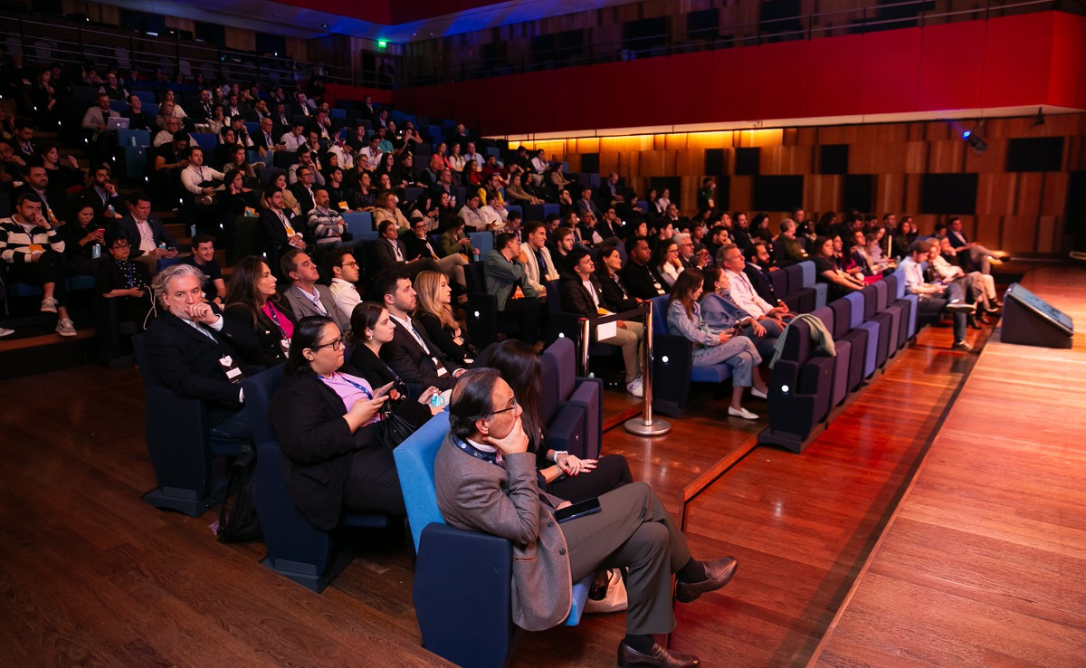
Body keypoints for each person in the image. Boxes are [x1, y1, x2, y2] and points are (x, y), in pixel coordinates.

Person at [435, 368, 738, 667]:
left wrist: (556, 500)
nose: (520, 411)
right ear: (483, 424)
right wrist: (518, 457)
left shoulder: (476, 441)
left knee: (653, 538)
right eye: (511, 405)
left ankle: (639, 647)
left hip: (546, 527)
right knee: (642, 495)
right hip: (534, 560)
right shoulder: (467, 477)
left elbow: (516, 499)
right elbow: (525, 529)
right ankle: (691, 574)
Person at [269, 316, 437, 529]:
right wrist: (354, 418)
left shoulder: (340, 369)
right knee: (421, 488)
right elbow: (305, 444)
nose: (342, 347)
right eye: (334, 344)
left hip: (378, 440)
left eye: (340, 340)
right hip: (344, 464)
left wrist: (372, 398)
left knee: (436, 463)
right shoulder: (296, 391)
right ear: (308, 354)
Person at [478, 339, 633, 500]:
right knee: (618, 463)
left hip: (550, 471)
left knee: (619, 487)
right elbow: (525, 479)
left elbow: (539, 448)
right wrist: (560, 468)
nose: (538, 380)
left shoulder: (525, 403)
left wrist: (559, 456)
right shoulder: (502, 419)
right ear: (520, 378)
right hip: (542, 491)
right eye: (533, 374)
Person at [142, 264, 262, 440]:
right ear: (166, 299)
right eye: (180, 294)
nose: (191, 300)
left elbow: (251, 343)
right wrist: (239, 393)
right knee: (289, 423)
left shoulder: (209, 311)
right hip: (216, 412)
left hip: (246, 390)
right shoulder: (160, 334)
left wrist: (215, 322)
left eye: (195, 291)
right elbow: (185, 382)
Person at [667, 269, 768, 420]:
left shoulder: (695, 305)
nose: (701, 291)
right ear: (688, 287)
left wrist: (721, 334)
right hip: (691, 355)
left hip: (704, 348)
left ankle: (736, 406)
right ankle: (758, 385)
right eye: (698, 287)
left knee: (744, 357)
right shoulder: (677, 307)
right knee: (745, 341)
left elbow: (702, 328)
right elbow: (691, 334)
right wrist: (716, 339)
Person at [561, 248, 645, 397]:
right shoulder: (571, 287)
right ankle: (632, 381)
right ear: (577, 268)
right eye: (586, 262)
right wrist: (610, 321)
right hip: (590, 328)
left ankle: (643, 373)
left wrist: (613, 318)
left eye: (590, 259)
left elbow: (602, 306)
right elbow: (585, 314)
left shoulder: (593, 279)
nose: (592, 263)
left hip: (605, 320)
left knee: (645, 329)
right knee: (630, 338)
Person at [374, 269, 466, 395]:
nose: (414, 293)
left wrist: (456, 371)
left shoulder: (413, 320)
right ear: (390, 299)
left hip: (448, 378)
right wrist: (458, 382)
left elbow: (436, 355)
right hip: (434, 393)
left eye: (412, 287)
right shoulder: (390, 335)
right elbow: (415, 379)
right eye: (407, 289)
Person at [0, 194, 77, 336]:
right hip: (18, 268)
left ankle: (52, 304)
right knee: (52, 263)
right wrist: (30, 258)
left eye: (37, 208)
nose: (34, 212)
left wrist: (48, 226)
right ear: (18, 208)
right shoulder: (4, 224)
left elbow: (60, 249)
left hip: (43, 269)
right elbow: (2, 253)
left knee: (52, 261)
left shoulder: (43, 226)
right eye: (29, 208)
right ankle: (62, 317)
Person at [900, 239, 975, 351]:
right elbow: (912, 290)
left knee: (952, 286)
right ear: (915, 253)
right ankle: (959, 342)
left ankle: (956, 301)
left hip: (924, 294)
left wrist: (936, 286)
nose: (926, 258)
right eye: (924, 255)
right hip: (918, 300)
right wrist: (933, 290)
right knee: (959, 309)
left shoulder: (915, 264)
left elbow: (921, 284)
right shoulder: (906, 266)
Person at [223, 256, 296, 367]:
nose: (274, 278)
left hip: (298, 357)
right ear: (250, 281)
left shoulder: (280, 300)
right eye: (266, 275)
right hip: (276, 368)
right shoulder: (239, 312)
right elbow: (253, 355)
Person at [699, 266, 780, 359]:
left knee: (774, 344)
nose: (728, 278)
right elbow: (722, 329)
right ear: (716, 284)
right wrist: (742, 323)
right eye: (724, 277)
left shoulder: (723, 295)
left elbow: (739, 313)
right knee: (769, 323)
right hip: (729, 340)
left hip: (739, 332)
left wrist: (751, 321)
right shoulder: (709, 303)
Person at [484, 232, 546, 348]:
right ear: (509, 243)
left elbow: (526, 287)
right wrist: (522, 262)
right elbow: (513, 274)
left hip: (509, 303)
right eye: (517, 243)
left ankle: (538, 342)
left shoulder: (513, 262)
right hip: (498, 305)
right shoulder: (493, 257)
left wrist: (541, 295)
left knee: (542, 304)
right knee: (532, 305)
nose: (519, 247)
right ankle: (527, 346)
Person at [719, 243, 792, 329]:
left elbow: (756, 297)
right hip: (751, 322)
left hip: (762, 316)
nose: (743, 258)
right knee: (791, 328)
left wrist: (772, 311)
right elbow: (739, 307)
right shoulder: (727, 280)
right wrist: (766, 319)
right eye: (738, 257)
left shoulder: (743, 274)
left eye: (741, 255)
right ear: (727, 264)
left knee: (796, 319)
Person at [280, 249, 351, 334]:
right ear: (294, 275)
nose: (314, 266)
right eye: (306, 264)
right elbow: (306, 336)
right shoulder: (289, 301)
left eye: (311, 262)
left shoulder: (324, 289)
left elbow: (346, 323)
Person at [414, 270, 476, 366]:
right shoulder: (426, 319)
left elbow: (467, 335)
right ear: (429, 290)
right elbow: (456, 353)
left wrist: (459, 339)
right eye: (443, 285)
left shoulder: (444, 311)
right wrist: (460, 339)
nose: (449, 289)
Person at [113, 192, 179, 275]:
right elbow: (123, 248)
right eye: (142, 208)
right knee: (155, 260)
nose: (146, 211)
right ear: (132, 207)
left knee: (179, 261)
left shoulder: (155, 220)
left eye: (148, 208)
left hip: (157, 256)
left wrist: (173, 250)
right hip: (138, 257)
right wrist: (149, 253)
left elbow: (170, 239)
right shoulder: (123, 223)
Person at [95, 234, 153, 326]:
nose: (124, 249)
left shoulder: (141, 265)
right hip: (121, 304)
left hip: (143, 301)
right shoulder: (106, 266)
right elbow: (105, 292)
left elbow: (149, 285)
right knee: (145, 313)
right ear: (111, 250)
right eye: (119, 247)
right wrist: (128, 292)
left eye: (125, 246)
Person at [181, 233, 226, 306]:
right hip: (194, 302)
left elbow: (221, 288)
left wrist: (219, 298)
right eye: (204, 249)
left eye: (211, 248)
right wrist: (209, 304)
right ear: (194, 250)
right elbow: (188, 293)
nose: (209, 252)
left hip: (213, 300)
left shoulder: (213, 263)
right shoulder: (186, 265)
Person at [259, 186, 305, 256]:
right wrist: (293, 242)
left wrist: (297, 236)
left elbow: (301, 226)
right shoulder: (266, 215)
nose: (281, 200)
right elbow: (272, 234)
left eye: (281, 197)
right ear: (269, 200)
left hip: (298, 240)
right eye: (277, 197)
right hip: (283, 245)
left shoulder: (288, 211)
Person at [326, 247, 363, 324]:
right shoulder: (344, 292)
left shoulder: (343, 288)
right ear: (337, 270)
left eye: (355, 264)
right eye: (351, 264)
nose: (357, 267)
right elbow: (362, 322)